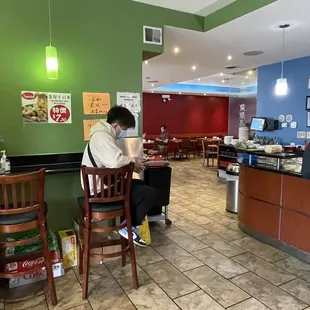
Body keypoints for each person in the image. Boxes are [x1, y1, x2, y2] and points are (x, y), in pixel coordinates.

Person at [81, 106, 155, 247]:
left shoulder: (102, 134)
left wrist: (134, 163)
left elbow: (114, 160)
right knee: (149, 193)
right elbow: (115, 161)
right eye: (124, 129)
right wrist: (134, 161)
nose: (124, 133)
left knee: (140, 186)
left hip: (102, 186)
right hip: (98, 191)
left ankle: (127, 224)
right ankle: (127, 227)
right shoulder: (101, 137)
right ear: (115, 125)